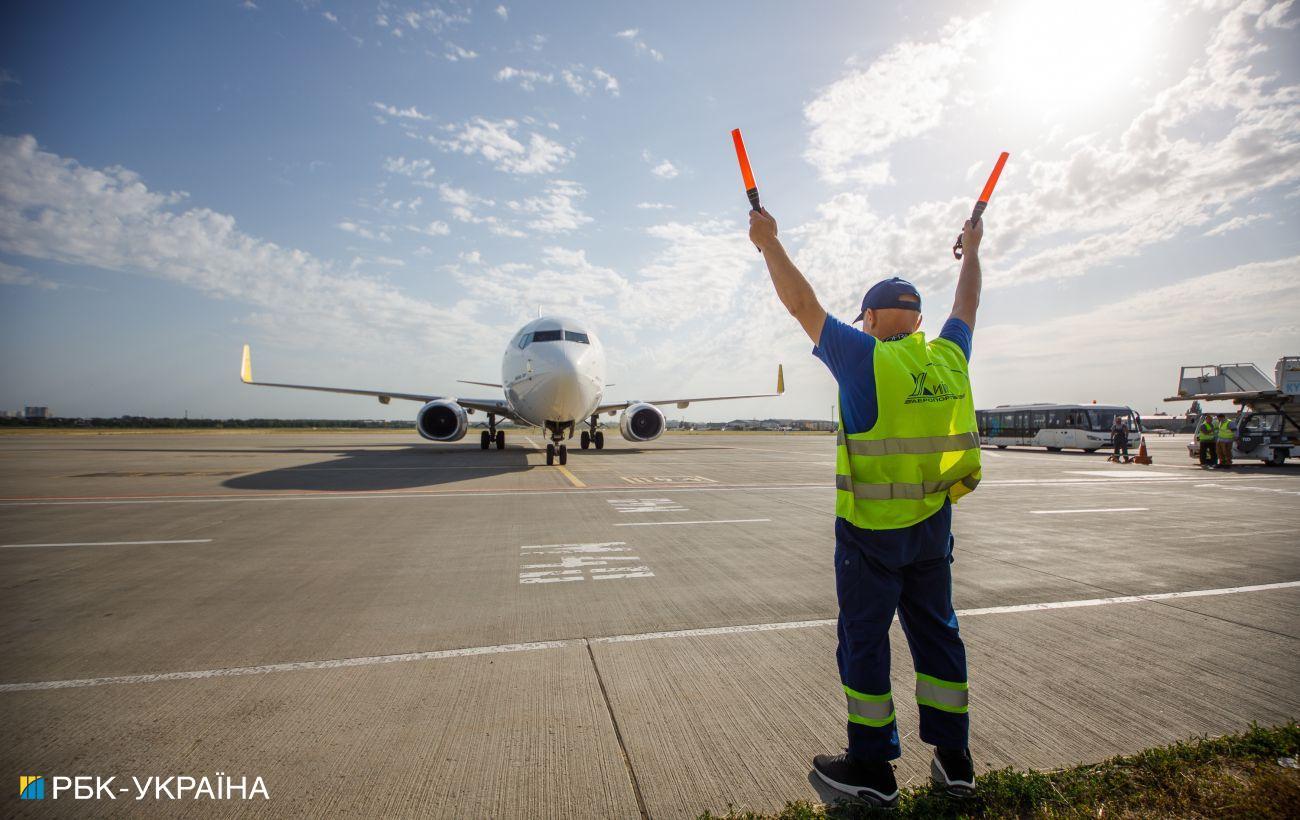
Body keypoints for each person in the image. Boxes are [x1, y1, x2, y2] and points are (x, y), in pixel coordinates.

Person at [749, 208, 982, 806]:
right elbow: (968, 307)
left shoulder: (866, 357)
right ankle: (955, 763)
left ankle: (873, 768)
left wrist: (768, 243)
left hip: (870, 535)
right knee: (938, 636)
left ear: (872, 319)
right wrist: (973, 249)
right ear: (922, 320)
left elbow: (803, 305)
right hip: (933, 531)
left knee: (865, 641)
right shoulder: (950, 358)